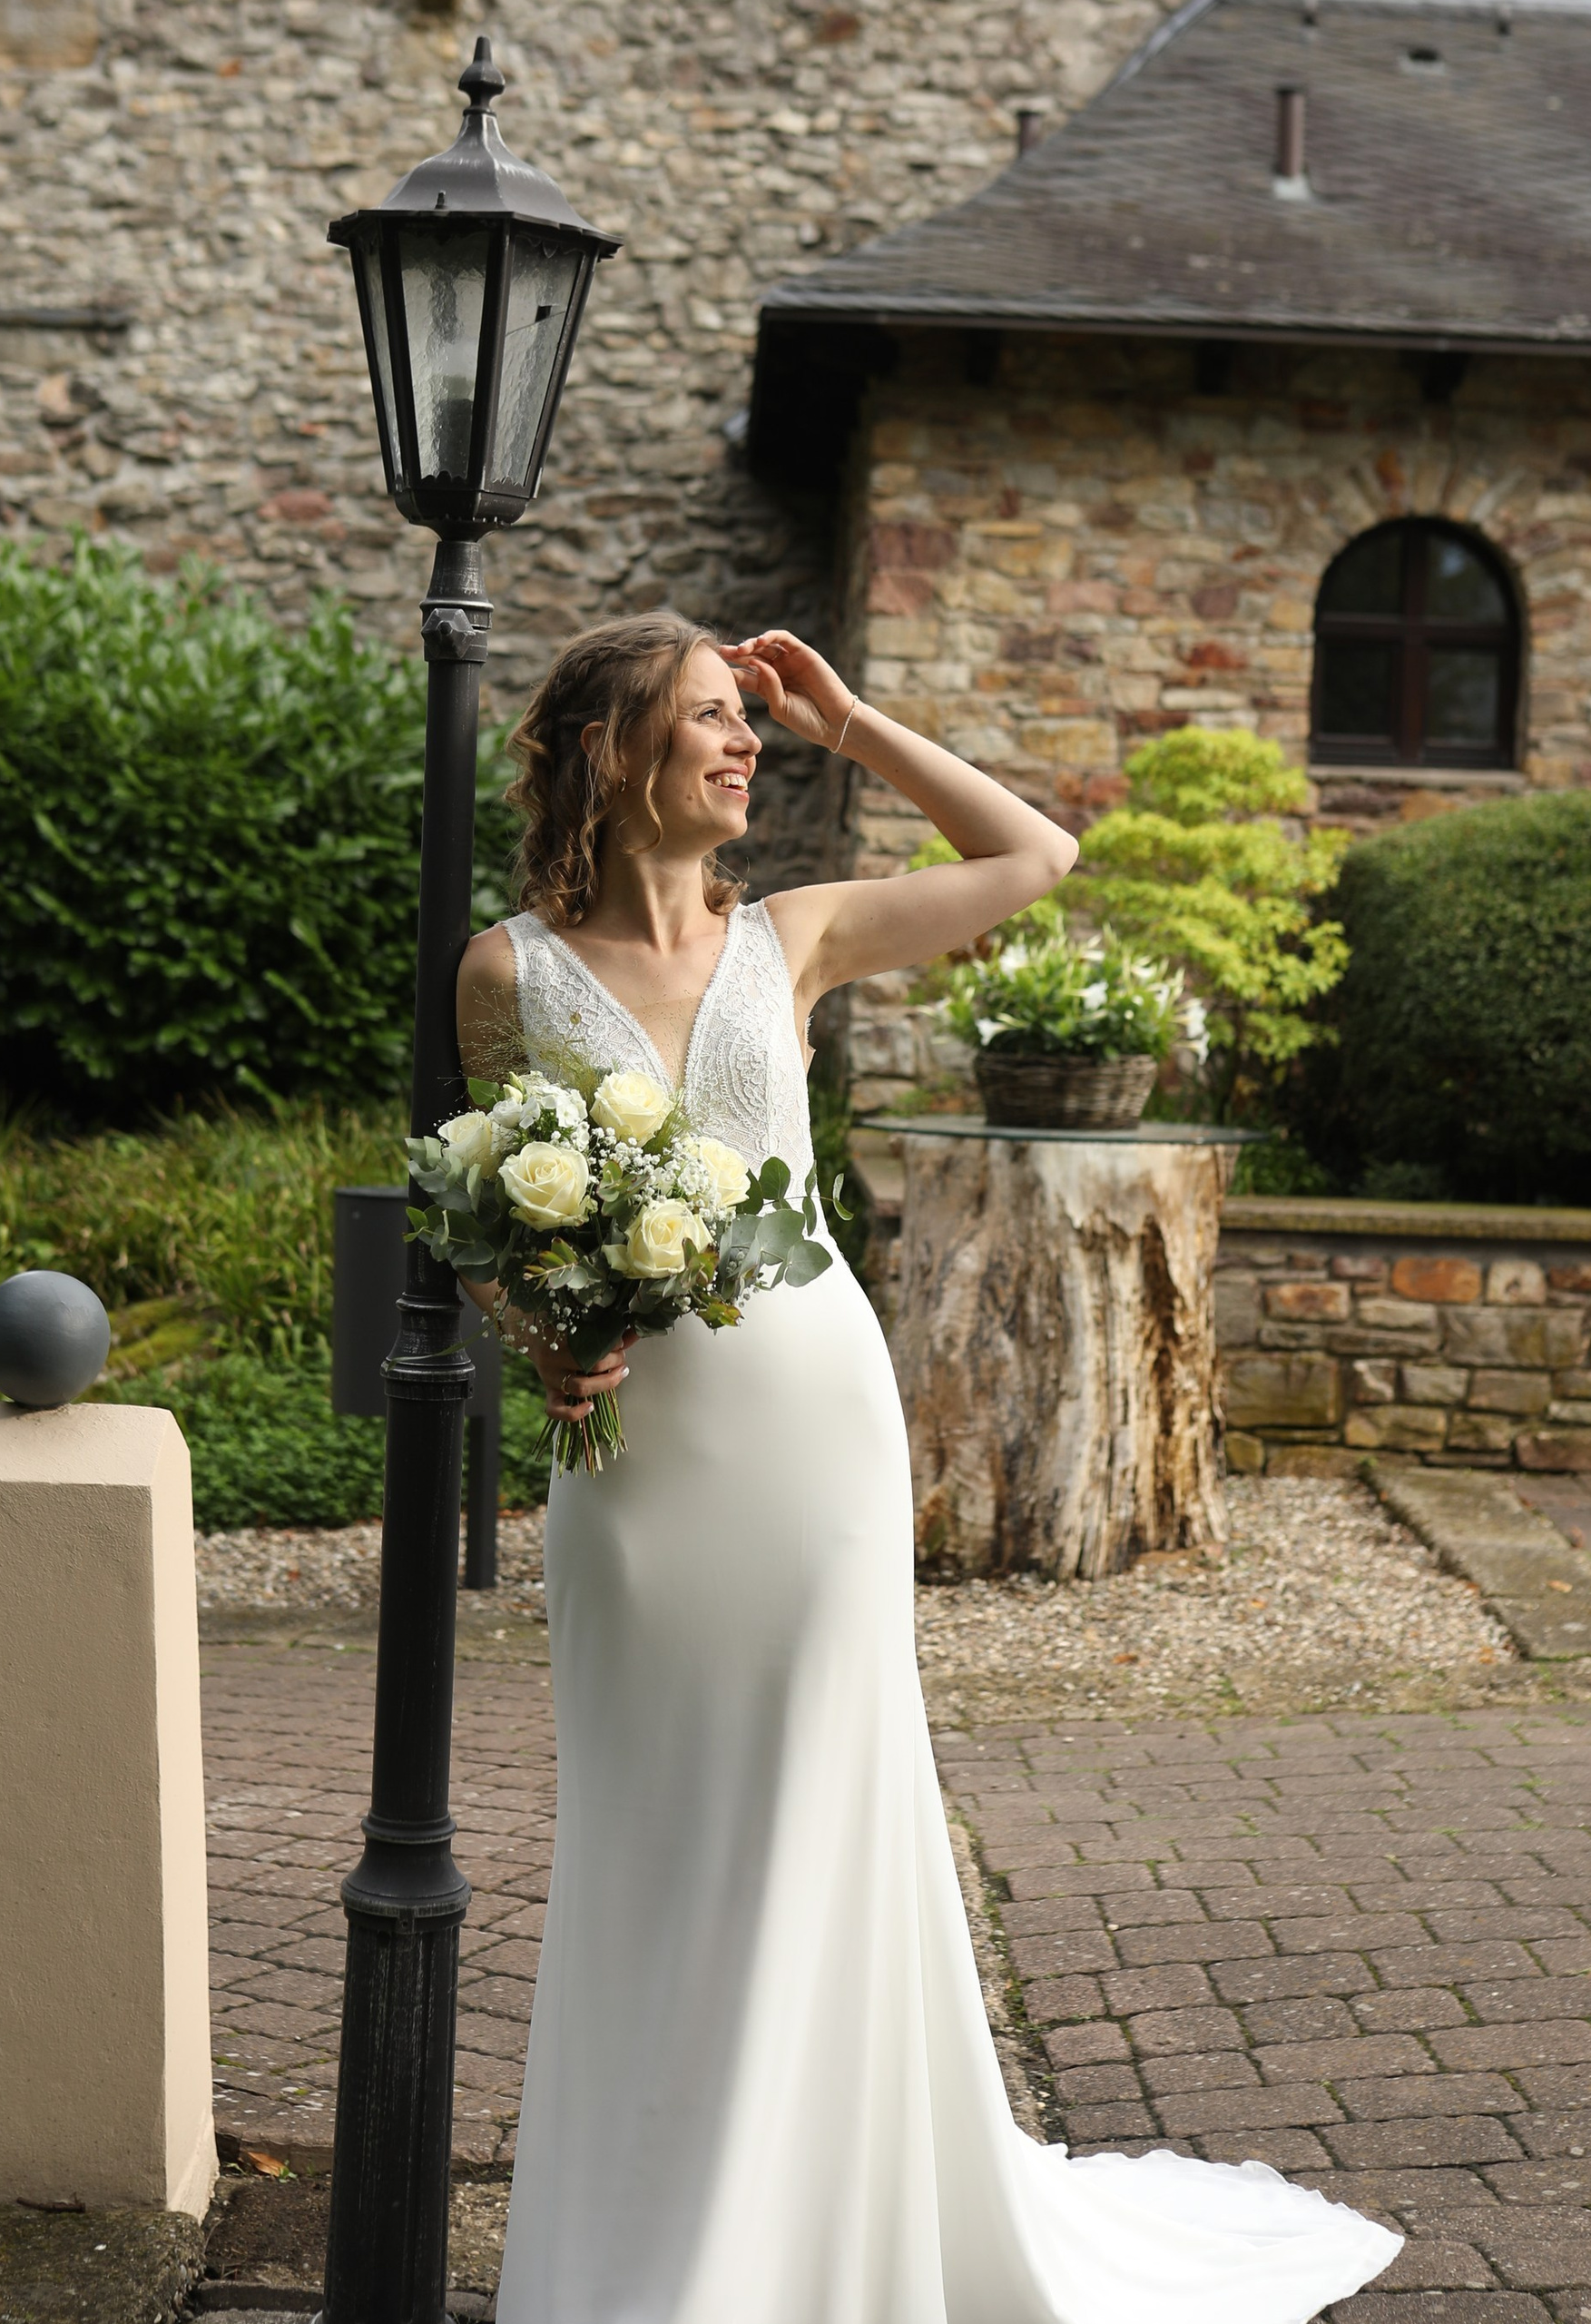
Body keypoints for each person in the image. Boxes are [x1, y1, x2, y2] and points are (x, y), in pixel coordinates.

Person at [457, 613, 1400, 2324]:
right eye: (711, 718)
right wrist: (542, 1340)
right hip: (642, 1470)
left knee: (818, 1807)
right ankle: (658, 2238)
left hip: (811, 1429)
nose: (743, 743)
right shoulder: (507, 975)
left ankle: (807, 2239)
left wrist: (850, 719)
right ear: (609, 751)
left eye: (750, 721)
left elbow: (1035, 857)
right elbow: (489, 1221)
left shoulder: (793, 937)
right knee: (651, 1834)